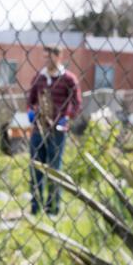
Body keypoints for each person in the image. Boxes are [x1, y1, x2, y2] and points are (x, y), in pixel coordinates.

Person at [27, 45, 81, 215]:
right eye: (44, 57)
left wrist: (68, 117)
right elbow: (30, 99)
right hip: (39, 129)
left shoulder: (68, 79)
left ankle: (53, 208)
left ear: (58, 57)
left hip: (57, 130)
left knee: (54, 168)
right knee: (36, 168)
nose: (46, 61)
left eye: (49, 57)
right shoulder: (39, 77)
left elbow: (77, 103)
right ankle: (35, 207)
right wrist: (30, 111)